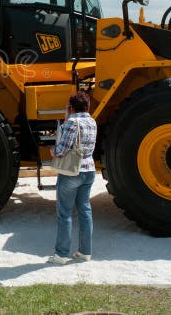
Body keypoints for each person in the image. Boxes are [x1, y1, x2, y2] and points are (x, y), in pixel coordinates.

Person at [47, 91, 97, 265]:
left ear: (71, 107)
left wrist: (53, 151)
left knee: (65, 214)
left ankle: (61, 255)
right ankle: (85, 252)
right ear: (88, 106)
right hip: (89, 171)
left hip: (71, 173)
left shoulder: (72, 122)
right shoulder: (92, 122)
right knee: (85, 211)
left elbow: (62, 149)